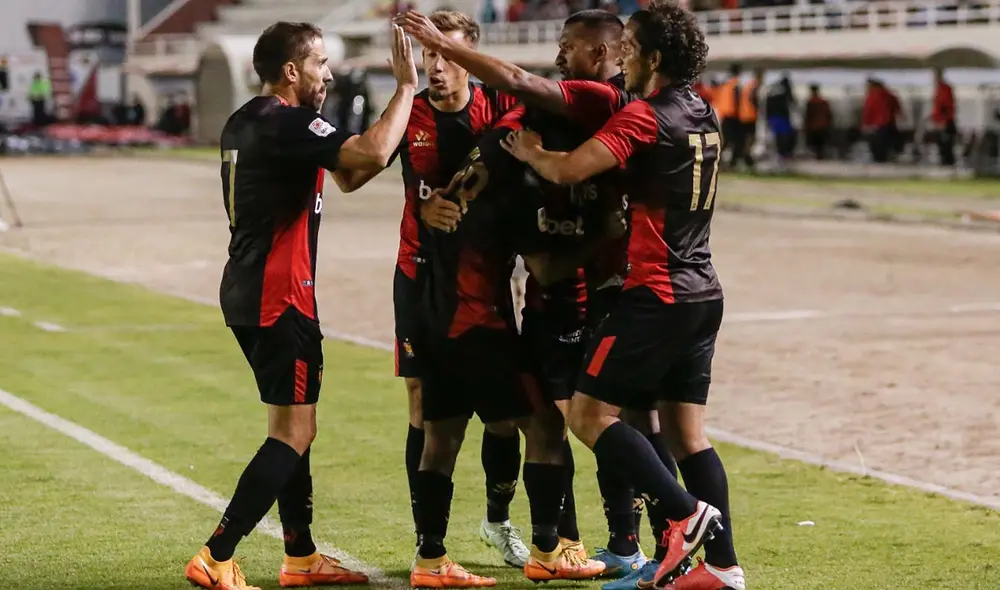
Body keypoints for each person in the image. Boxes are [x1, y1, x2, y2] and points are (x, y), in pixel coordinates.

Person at [395, 2, 746, 588]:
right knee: (683, 434)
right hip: (701, 290)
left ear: (644, 57)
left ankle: (679, 521)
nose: (622, 56)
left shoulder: (633, 112)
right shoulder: (702, 109)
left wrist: (535, 156)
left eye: (630, 47)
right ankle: (723, 567)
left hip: (646, 291)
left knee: (587, 416)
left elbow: (564, 164)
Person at [183, 21, 418, 590]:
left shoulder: (248, 119)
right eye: (319, 63)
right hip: (279, 294)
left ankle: (302, 557)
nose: (329, 73)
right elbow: (376, 149)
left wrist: (364, 153)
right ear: (291, 71)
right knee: (294, 430)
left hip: (245, 288)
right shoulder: (289, 121)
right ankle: (217, 556)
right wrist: (407, 88)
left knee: (294, 424)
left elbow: (349, 176)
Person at [331, 10, 532, 574]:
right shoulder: (410, 111)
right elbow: (351, 177)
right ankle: (429, 544)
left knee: (505, 417)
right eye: (430, 56)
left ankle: (498, 521)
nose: (437, 67)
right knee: (423, 406)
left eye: (448, 55)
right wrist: (419, 203)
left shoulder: (499, 108)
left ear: (470, 58)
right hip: (419, 279)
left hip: (487, 281)